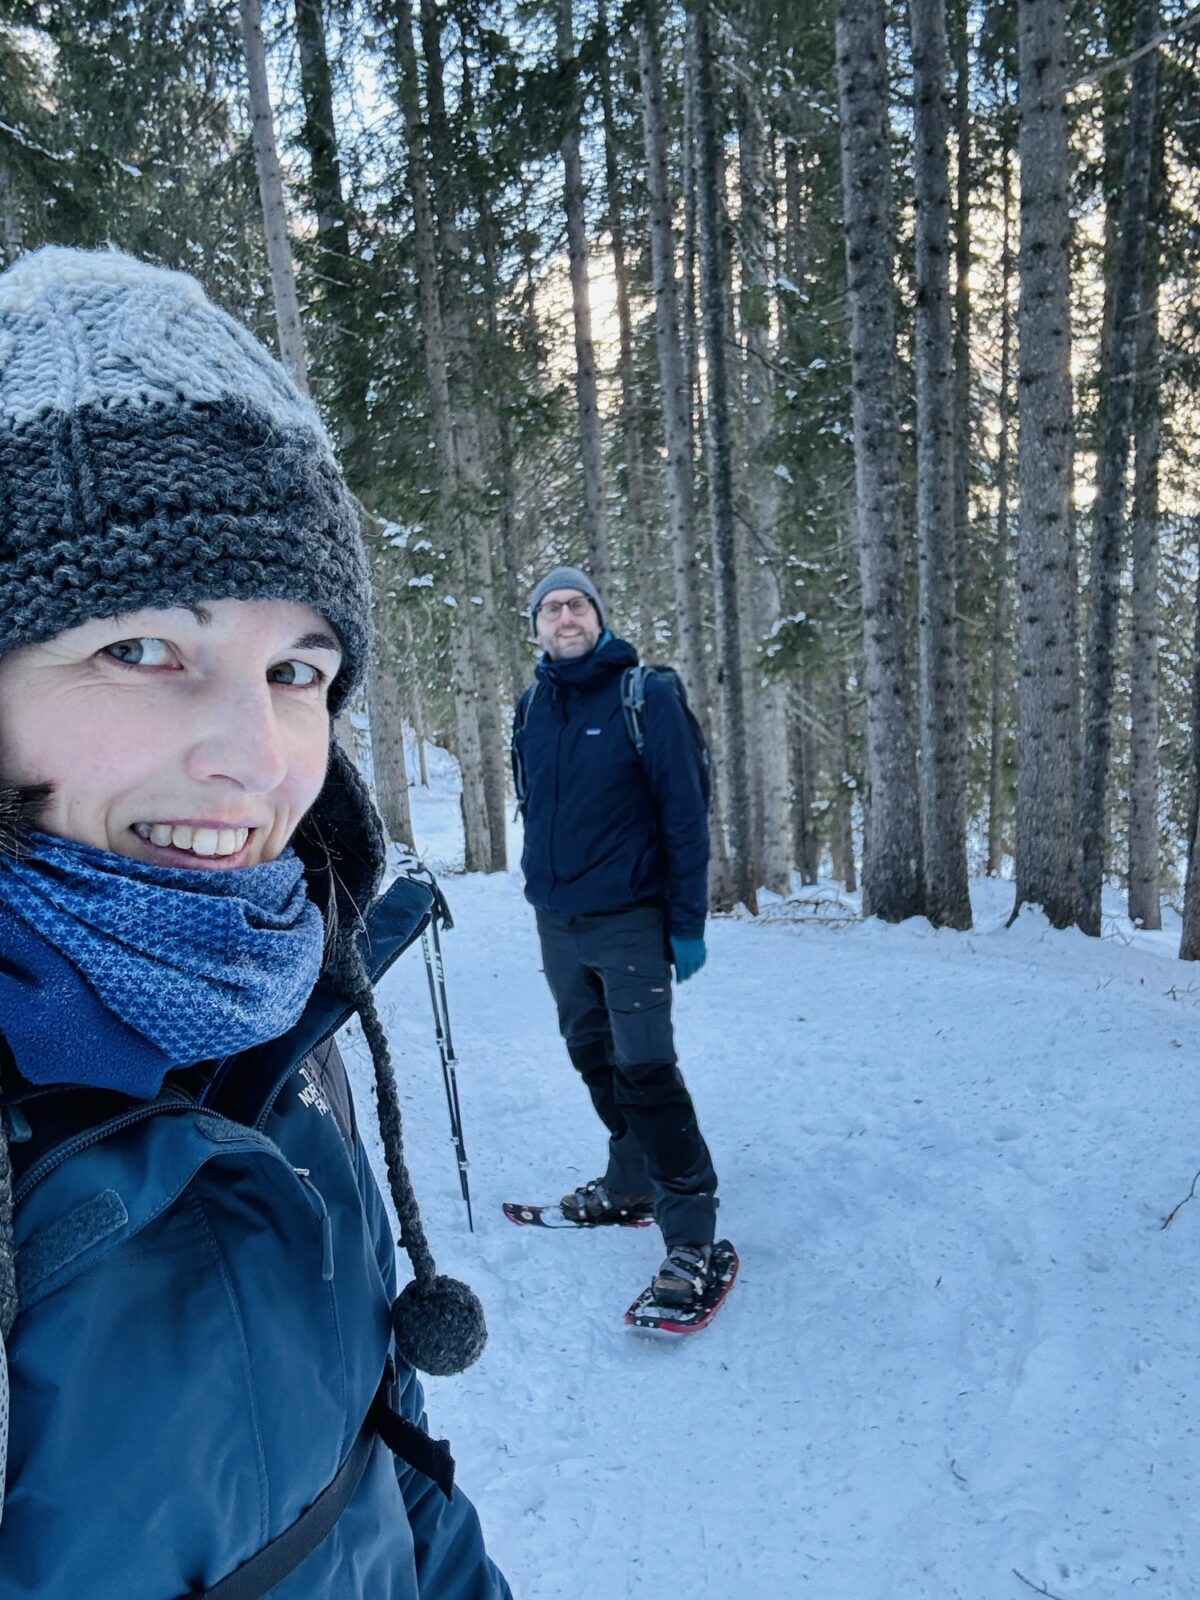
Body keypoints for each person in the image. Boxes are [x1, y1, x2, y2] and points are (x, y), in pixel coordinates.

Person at [0, 246, 511, 1599]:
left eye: (298, 670)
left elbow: (383, 1466)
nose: (256, 752)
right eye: (146, 650)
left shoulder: (275, 1001)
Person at [512, 565, 723, 1308]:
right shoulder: (533, 705)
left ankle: (691, 1234)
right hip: (557, 921)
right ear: (534, 625)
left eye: (577, 605)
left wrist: (686, 923)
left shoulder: (647, 696)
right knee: (592, 1057)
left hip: (630, 919)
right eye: (550, 608)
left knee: (647, 1072)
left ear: (599, 615)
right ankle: (629, 1180)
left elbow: (685, 816)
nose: (564, 617)